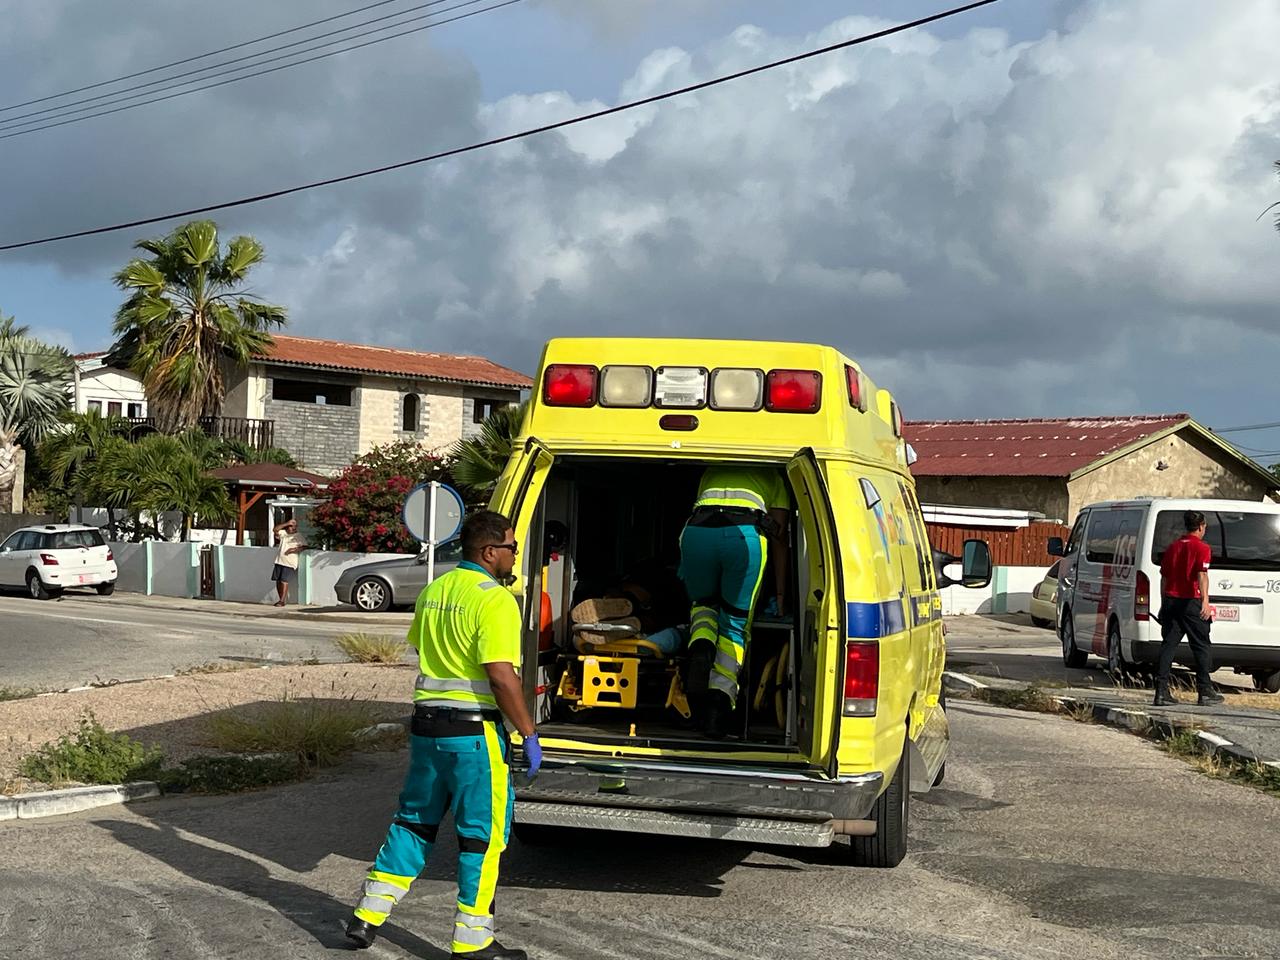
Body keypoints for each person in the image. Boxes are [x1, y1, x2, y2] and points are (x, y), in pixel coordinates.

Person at [346, 510, 539, 960]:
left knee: (414, 822)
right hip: (473, 734)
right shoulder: (494, 600)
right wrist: (527, 732)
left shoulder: (435, 591)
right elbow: (501, 677)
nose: (515, 555)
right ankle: (473, 943)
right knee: (481, 838)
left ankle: (366, 915)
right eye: (512, 546)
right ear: (490, 552)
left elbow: (422, 648)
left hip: (426, 729)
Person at [678, 465, 789, 738]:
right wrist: (781, 594)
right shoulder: (773, 475)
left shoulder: (712, 471)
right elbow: (779, 536)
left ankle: (701, 647)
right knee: (734, 625)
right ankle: (718, 707)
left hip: (696, 533)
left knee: (703, 606)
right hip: (744, 536)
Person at [1154, 510, 1225, 707]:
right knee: (1201, 645)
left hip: (1171, 600)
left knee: (1168, 645)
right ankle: (1205, 690)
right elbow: (1202, 574)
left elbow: (1164, 577)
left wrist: (1163, 602)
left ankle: (1161, 691)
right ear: (1201, 526)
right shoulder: (1202, 548)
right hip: (1190, 601)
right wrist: (1205, 602)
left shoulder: (1173, 547)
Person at [270, 518, 307, 606]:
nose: (293, 528)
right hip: (279, 560)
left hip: (289, 562)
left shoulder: (298, 536)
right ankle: (280, 599)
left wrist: (294, 549)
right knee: (278, 581)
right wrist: (286, 523)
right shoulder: (284, 534)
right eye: (291, 526)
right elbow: (275, 529)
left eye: (294, 526)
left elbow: (304, 546)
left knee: (284, 580)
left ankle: (282, 601)